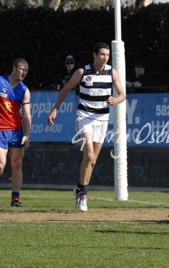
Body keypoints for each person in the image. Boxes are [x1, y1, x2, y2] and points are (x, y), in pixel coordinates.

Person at [47, 42, 126, 212]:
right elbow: (67, 88)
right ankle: (82, 196)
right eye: (102, 54)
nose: (105, 58)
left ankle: (79, 188)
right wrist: (55, 109)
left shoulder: (112, 72)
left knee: (93, 160)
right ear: (94, 55)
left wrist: (115, 100)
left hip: (102, 119)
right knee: (89, 155)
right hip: (84, 117)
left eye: (107, 55)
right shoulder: (82, 72)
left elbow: (122, 95)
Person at [0, 58, 31, 207]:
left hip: (16, 131)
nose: (24, 72)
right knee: (1, 164)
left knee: (17, 164)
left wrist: (27, 134)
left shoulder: (24, 90)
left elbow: (26, 115)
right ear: (14, 68)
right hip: (0, 130)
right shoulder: (0, 81)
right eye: (21, 69)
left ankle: (15, 198)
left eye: (26, 70)